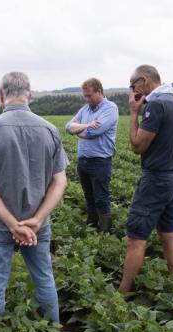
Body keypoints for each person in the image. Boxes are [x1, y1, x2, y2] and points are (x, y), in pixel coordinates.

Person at [0, 71, 68, 326]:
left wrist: (12, 224)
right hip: (37, 227)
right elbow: (60, 181)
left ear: (1, 95)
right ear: (29, 95)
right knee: (44, 279)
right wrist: (37, 219)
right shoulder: (50, 130)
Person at [119, 65, 173, 294]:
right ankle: (172, 281)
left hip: (157, 178)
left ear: (144, 80)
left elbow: (138, 146)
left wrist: (133, 112)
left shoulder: (157, 105)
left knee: (136, 238)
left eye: (133, 85)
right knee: (168, 233)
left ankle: (122, 293)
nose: (133, 91)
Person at [65, 78, 118, 232]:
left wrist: (80, 131)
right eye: (85, 96)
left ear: (99, 92)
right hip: (83, 161)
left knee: (101, 197)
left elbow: (94, 132)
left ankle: (104, 233)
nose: (87, 99)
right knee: (88, 196)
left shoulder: (110, 109)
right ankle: (92, 227)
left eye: (89, 96)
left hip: (100, 161)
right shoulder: (85, 109)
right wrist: (87, 125)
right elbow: (68, 127)